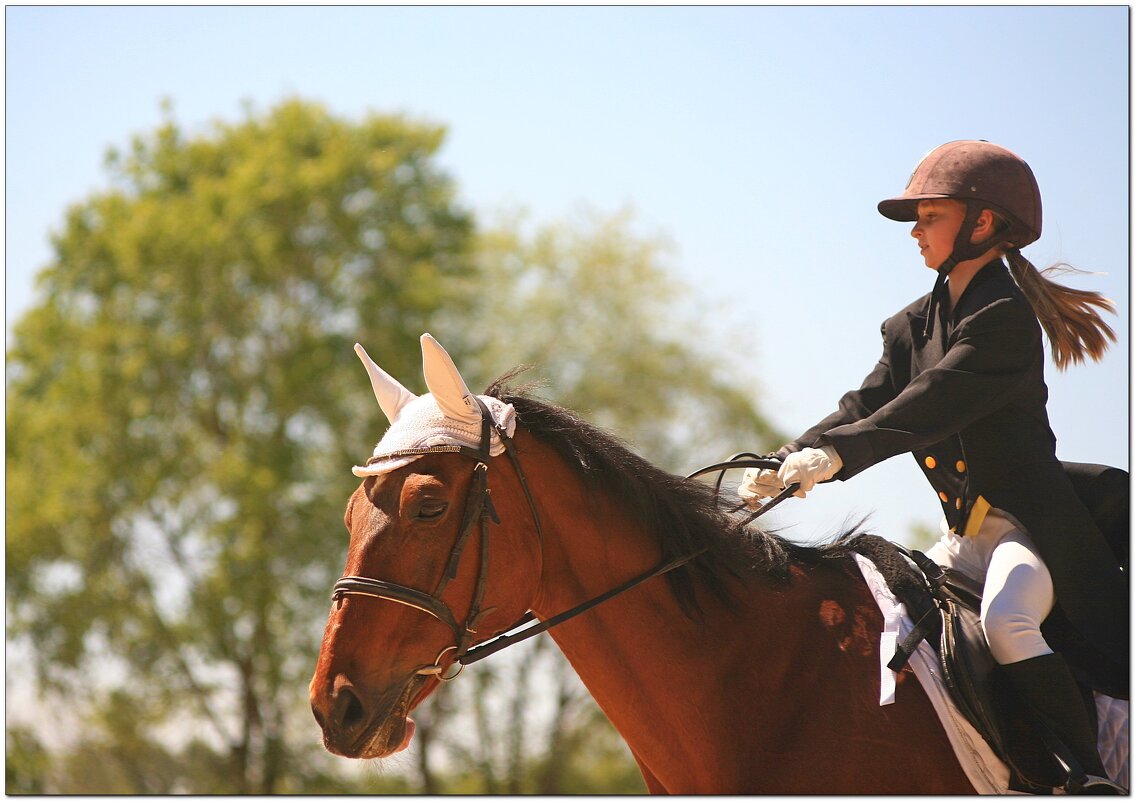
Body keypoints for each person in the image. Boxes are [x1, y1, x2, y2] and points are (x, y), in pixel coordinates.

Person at [739, 140, 1128, 793]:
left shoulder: (1003, 318)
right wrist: (785, 459)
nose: (915, 232)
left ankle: (1083, 773)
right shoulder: (911, 326)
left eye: (929, 217)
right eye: (915, 220)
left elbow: (931, 402)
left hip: (1022, 533)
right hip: (958, 540)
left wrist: (837, 457)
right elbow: (862, 404)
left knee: (1006, 620)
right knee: (883, 611)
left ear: (981, 223)